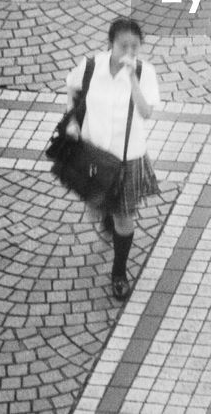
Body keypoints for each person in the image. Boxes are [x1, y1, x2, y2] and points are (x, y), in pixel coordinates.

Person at [65, 18, 161, 298]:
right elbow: (72, 88)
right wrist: (72, 119)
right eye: (123, 46)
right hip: (94, 152)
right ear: (110, 45)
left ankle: (119, 273)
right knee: (97, 208)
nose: (130, 51)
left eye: (135, 46)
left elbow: (146, 112)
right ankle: (106, 212)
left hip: (127, 156)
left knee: (124, 217)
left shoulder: (145, 72)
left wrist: (131, 78)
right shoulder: (91, 66)